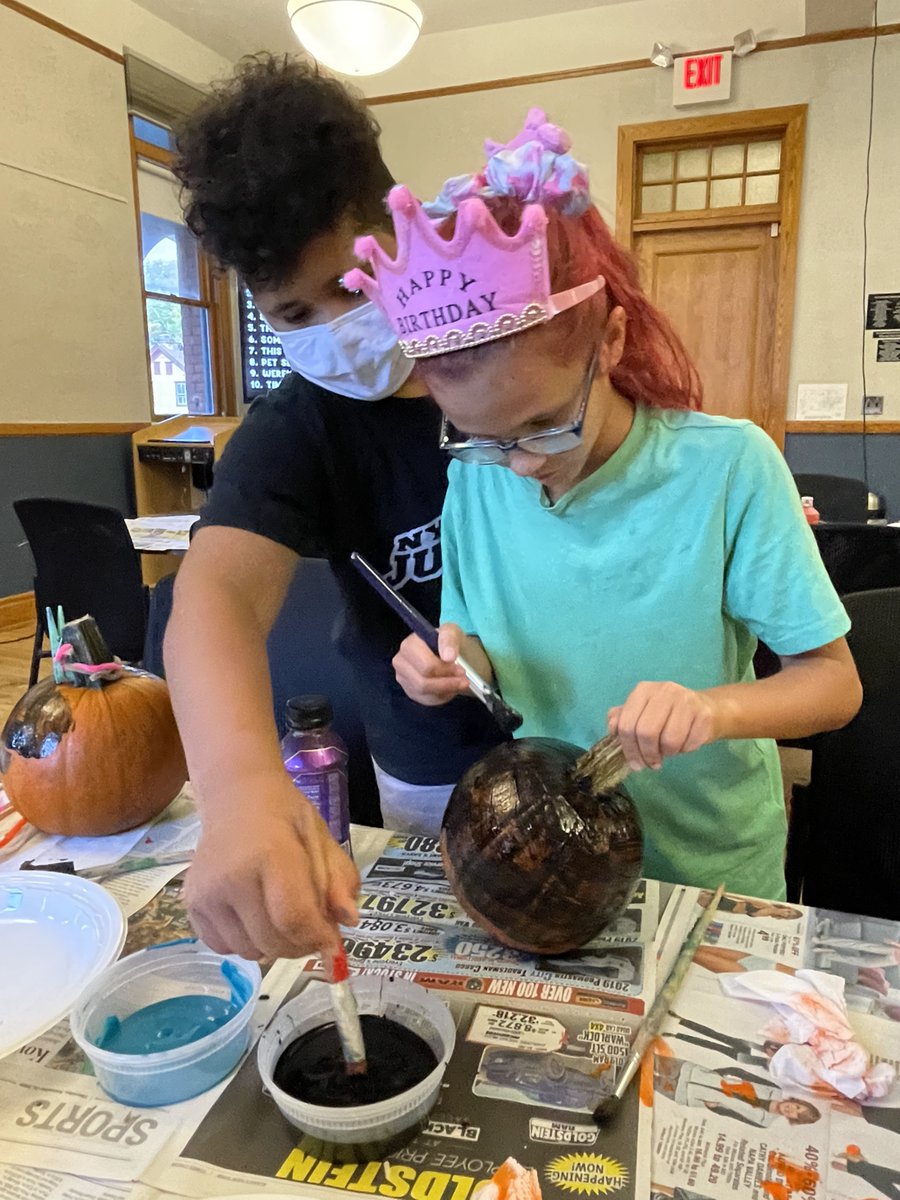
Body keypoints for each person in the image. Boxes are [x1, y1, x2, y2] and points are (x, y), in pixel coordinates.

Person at [350, 108, 862, 898]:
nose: (516, 465)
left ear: (612, 343)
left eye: (542, 426)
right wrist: (452, 666)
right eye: (478, 437)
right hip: (555, 866)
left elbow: (833, 685)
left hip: (704, 867)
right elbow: (480, 643)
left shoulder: (726, 467)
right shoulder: (475, 478)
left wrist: (710, 710)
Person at [166, 56, 502, 961]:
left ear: (406, 231)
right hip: (425, 763)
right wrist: (237, 787)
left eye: (351, 290)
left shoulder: (514, 355)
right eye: (290, 312)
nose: (333, 330)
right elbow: (218, 598)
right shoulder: (299, 428)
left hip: (587, 725)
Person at [653, 1058, 820, 1127]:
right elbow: (740, 1073)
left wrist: (714, 1108)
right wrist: (714, 1073)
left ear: (792, 1120)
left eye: (796, 1115)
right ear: (797, 1102)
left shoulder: (764, 1122)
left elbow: (730, 1114)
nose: (791, 1109)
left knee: (646, 1080)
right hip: (694, 1073)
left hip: (690, 1094)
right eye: (797, 1107)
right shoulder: (774, 1090)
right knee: (650, 1059)